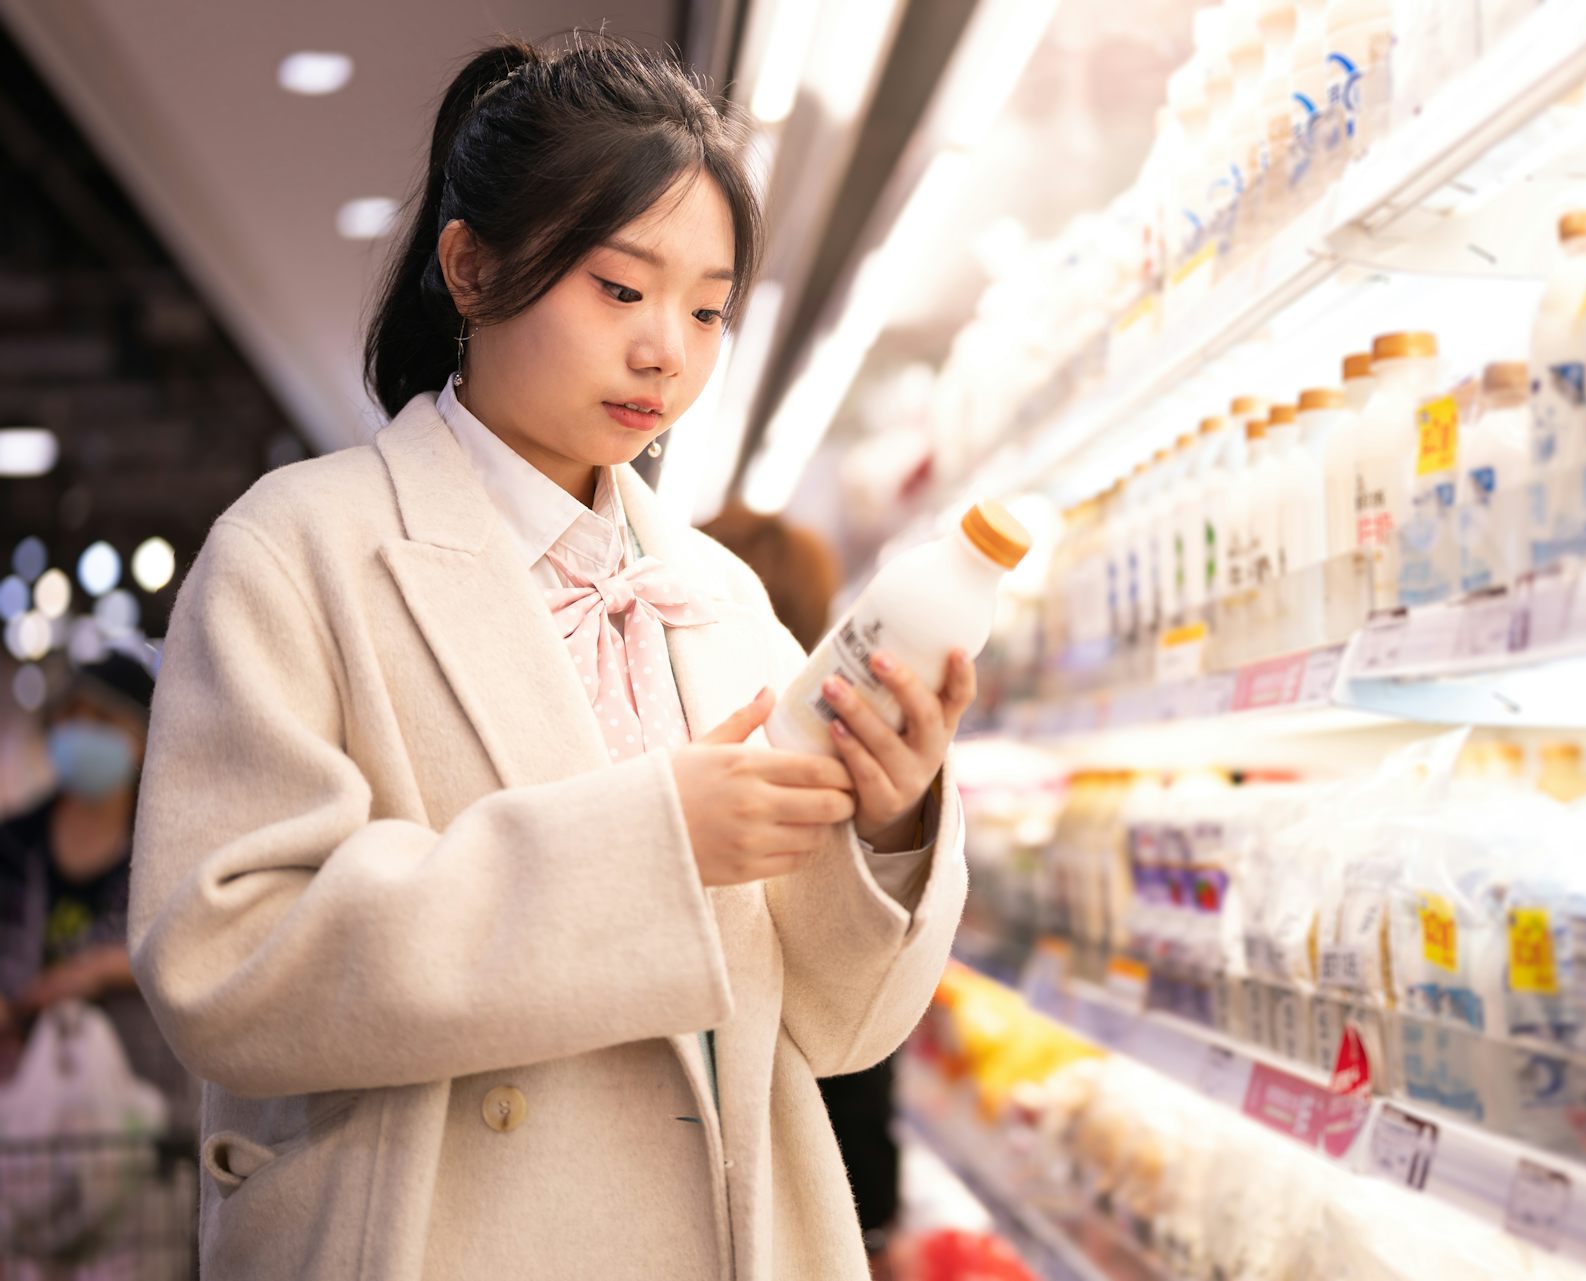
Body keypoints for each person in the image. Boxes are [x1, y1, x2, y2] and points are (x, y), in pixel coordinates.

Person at [128, 35, 970, 1281]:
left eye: (705, 307)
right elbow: (224, 963)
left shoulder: (719, 594)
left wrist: (886, 829)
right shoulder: (298, 548)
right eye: (619, 290)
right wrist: (652, 847)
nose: (665, 351)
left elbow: (839, 1025)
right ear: (469, 268)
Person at [698, 503, 903, 1277]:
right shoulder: (833, 760)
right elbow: (857, 1057)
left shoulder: (700, 746)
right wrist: (878, 1223)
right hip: (822, 1179)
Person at [0, 652, 198, 1126]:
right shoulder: (13, 841)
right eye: (72, 714)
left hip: (140, 1098)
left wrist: (102, 969)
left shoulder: (165, 849)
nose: (80, 730)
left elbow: (193, 948)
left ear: (143, 739)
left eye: (102, 718)